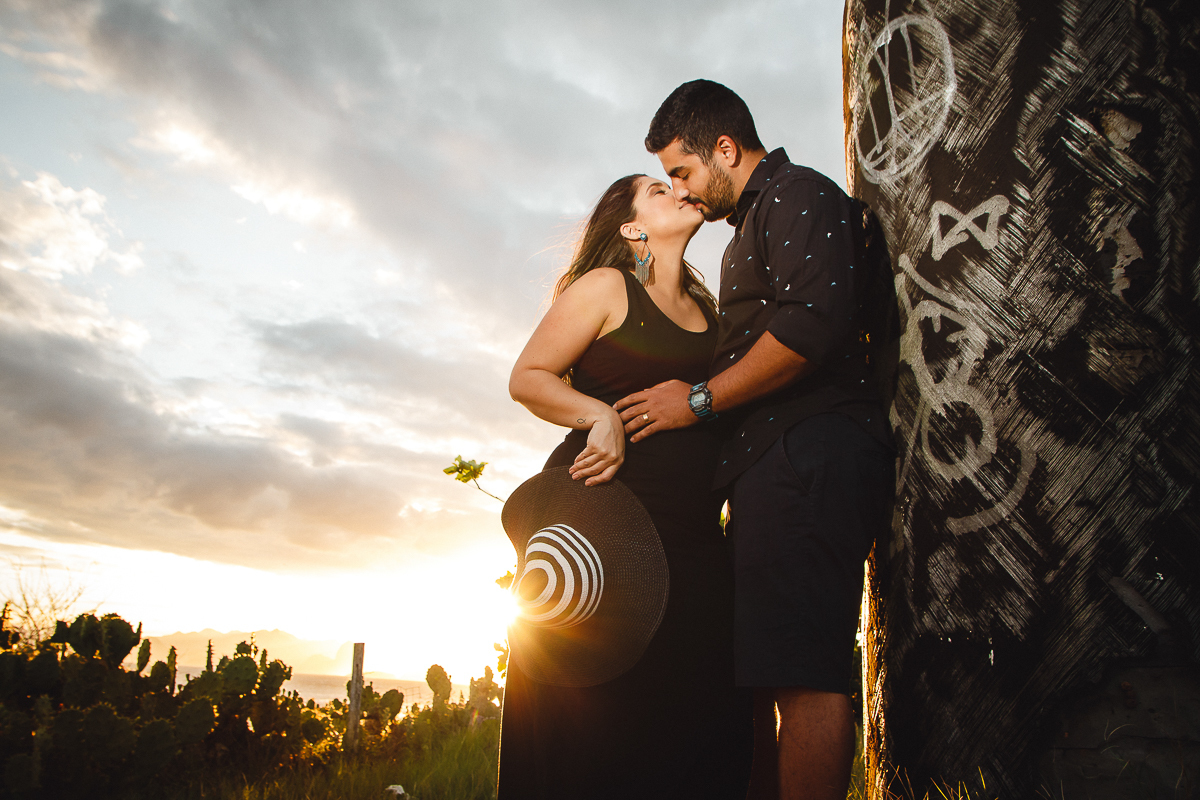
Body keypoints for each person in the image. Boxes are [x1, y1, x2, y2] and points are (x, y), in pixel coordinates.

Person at [614, 80, 895, 800]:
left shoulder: (799, 194)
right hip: (775, 465)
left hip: (808, 451)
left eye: (682, 170)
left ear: (726, 149)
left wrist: (699, 402)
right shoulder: (756, 223)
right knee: (774, 679)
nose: (682, 188)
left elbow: (810, 329)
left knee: (803, 673)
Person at [500, 173, 754, 799]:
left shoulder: (710, 312)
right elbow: (528, 376)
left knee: (697, 715)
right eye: (659, 190)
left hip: (692, 533)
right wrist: (599, 415)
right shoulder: (609, 287)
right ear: (631, 226)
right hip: (601, 533)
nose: (679, 191)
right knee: (594, 725)